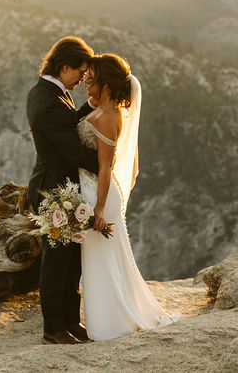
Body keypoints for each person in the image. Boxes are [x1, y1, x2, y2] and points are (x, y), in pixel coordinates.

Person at [77, 53, 180, 340]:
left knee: (104, 260)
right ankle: (108, 320)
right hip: (91, 191)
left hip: (101, 195)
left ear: (107, 85)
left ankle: (114, 323)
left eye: (93, 80)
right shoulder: (102, 112)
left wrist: (98, 208)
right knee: (100, 260)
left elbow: (105, 167)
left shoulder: (110, 117)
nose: (87, 84)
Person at [25, 36, 99, 345]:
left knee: (72, 262)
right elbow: (73, 152)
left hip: (64, 189)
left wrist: (89, 107)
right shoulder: (50, 101)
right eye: (80, 72)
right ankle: (53, 329)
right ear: (64, 66)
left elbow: (68, 122)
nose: (83, 78)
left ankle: (71, 320)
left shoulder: (50, 93)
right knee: (56, 264)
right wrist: (109, 164)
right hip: (54, 193)